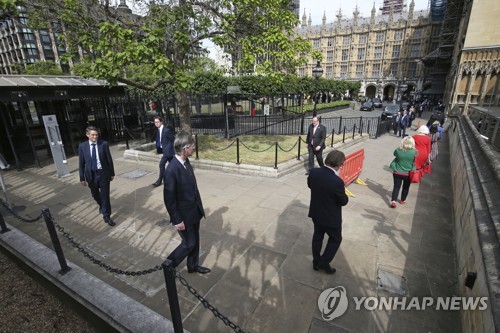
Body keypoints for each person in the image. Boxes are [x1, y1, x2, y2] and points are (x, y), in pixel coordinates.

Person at [164, 132, 210, 274]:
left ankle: (193, 266)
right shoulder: (171, 170)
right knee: (189, 243)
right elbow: (169, 199)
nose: (194, 148)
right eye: (192, 146)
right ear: (185, 149)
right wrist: (177, 220)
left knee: (195, 241)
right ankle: (168, 265)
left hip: (194, 211)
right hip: (184, 216)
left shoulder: (186, 162)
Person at [307, 150, 349, 274]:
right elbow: (343, 201)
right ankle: (323, 263)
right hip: (331, 218)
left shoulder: (314, 172)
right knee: (336, 239)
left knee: (317, 236)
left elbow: (310, 185)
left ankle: (316, 262)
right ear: (339, 165)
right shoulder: (337, 182)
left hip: (316, 213)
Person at [78, 126, 116, 226]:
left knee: (105, 196)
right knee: (95, 195)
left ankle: (106, 216)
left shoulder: (103, 144)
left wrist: (112, 173)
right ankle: (102, 206)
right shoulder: (82, 146)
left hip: (103, 173)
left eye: (96, 134)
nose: (95, 136)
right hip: (91, 175)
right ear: (87, 135)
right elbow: (81, 163)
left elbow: (109, 160)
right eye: (93, 135)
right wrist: (82, 178)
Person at [389, 136, 417, 208]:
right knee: (406, 187)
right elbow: (416, 158)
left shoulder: (398, 150)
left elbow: (394, 154)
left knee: (396, 186)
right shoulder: (415, 152)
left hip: (397, 172)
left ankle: (393, 201)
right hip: (408, 173)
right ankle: (402, 200)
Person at [151, 116, 175, 187]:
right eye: (155, 122)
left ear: (161, 122)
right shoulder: (158, 129)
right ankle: (176, 178)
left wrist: (172, 149)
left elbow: (173, 139)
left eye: (157, 122)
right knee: (173, 165)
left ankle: (159, 181)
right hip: (165, 150)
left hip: (168, 152)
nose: (156, 123)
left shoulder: (166, 130)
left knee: (161, 164)